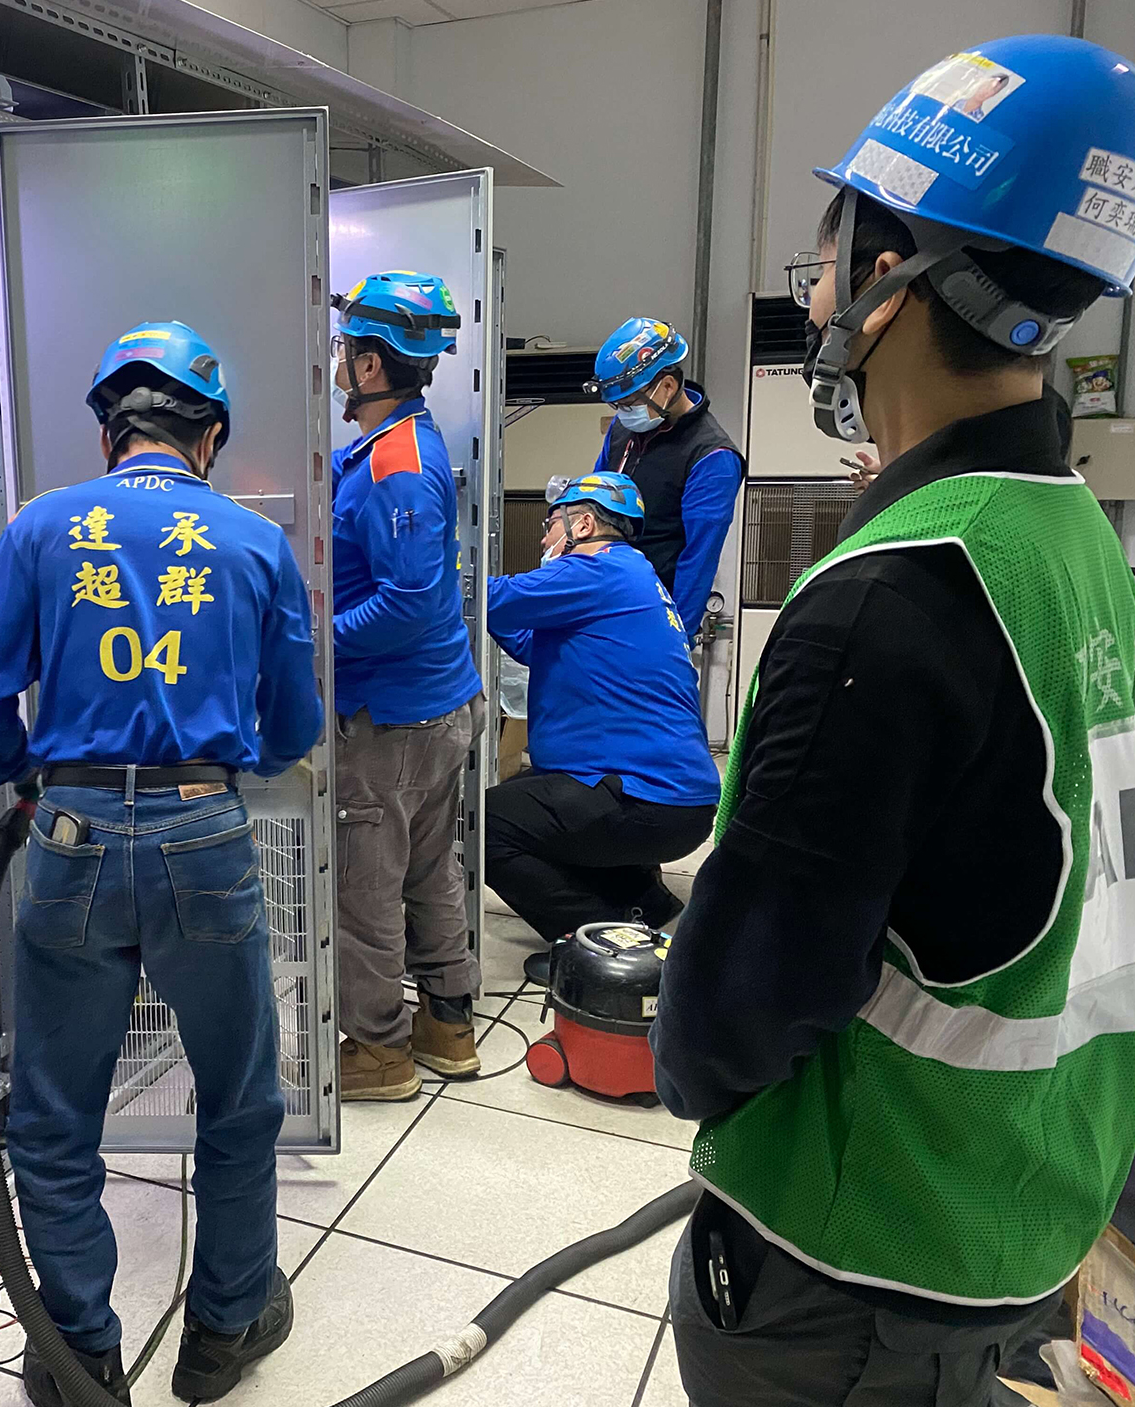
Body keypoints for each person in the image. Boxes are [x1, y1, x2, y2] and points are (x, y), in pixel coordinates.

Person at [649, 35, 1135, 1406]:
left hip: (858, 1248)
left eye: (823, 259)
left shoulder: (886, 601)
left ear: (888, 275)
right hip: (1025, 1191)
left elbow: (735, 1013)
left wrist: (693, 1058)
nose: (812, 293)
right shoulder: (1079, 541)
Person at [0, 321, 323, 1406]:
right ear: (209, 437)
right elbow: (294, 723)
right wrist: (238, 755)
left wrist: (26, 775)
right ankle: (222, 1332)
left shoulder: (41, 527)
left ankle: (81, 1356)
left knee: (53, 1113)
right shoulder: (252, 542)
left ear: (110, 431)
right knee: (239, 1100)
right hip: (204, 832)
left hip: (66, 836)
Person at [327, 271, 486, 1101]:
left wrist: (316, 643)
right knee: (430, 871)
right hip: (436, 707)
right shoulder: (397, 446)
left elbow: (409, 602)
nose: (337, 363)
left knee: (366, 891)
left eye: (346, 350)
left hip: (390, 721)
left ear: (372, 366)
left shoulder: (397, 462)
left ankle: (380, 1049)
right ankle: (448, 1028)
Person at [482, 472, 720, 984]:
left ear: (583, 524)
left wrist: (443, 565)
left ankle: (597, 948)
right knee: (533, 796)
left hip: (645, 800)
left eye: (550, 525)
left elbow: (492, 596)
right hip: (676, 801)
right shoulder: (635, 577)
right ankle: (643, 905)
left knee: (485, 823)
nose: (544, 540)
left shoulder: (596, 571)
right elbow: (531, 645)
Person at [584, 318, 745, 639]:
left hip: (651, 613)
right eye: (617, 405)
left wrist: (674, 641)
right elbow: (594, 497)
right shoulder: (622, 429)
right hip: (602, 596)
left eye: (629, 403)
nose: (622, 413)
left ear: (667, 386)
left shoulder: (713, 457)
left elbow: (698, 561)